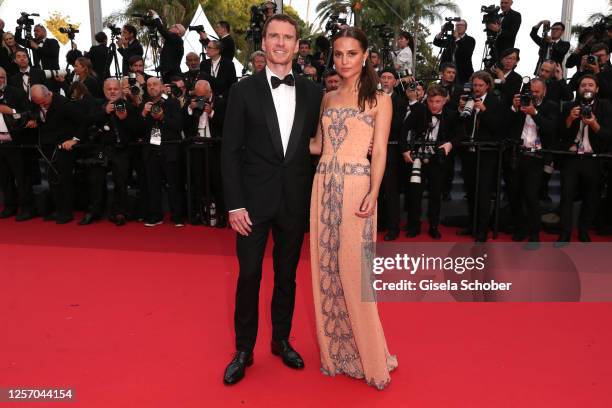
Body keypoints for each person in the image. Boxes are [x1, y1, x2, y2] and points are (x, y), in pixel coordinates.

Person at [220, 14, 322, 385]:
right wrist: (234, 204)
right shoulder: (243, 90)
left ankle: (281, 339)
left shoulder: (313, 92)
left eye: (288, 37)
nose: (280, 43)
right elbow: (229, 151)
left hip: (293, 201)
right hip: (251, 204)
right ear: (263, 41)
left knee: (287, 276)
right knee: (249, 276)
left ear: (298, 44)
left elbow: (316, 144)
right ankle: (244, 349)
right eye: (274, 36)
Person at [309, 27, 397, 389]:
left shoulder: (380, 98)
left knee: (355, 272)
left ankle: (373, 359)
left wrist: (374, 191)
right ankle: (338, 353)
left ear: (365, 56)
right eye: (339, 54)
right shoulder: (327, 98)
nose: (344, 61)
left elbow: (380, 151)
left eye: (351, 54)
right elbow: (316, 144)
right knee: (326, 267)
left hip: (357, 184)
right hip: (323, 183)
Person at [556, 75, 612, 246]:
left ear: (596, 89)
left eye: (590, 85)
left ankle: (583, 231)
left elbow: (608, 136)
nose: (586, 88)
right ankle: (564, 234)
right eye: (583, 85)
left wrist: (594, 124)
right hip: (572, 157)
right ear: (578, 89)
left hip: (593, 158)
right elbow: (558, 133)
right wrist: (570, 119)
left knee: (591, 197)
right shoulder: (568, 106)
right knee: (566, 196)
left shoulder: (605, 106)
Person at [506, 78, 558, 245]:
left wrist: (534, 113)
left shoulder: (550, 107)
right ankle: (521, 228)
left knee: (531, 196)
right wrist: (514, 108)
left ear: (544, 92)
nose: (533, 94)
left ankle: (534, 233)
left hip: (536, 158)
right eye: (531, 91)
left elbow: (551, 130)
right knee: (514, 195)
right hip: (516, 155)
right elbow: (505, 126)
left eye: (537, 91)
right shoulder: (519, 104)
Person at [139, 77, 184, 227]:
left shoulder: (172, 102)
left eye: (155, 84)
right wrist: (143, 114)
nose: (152, 87)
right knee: (153, 185)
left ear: (162, 86)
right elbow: (137, 130)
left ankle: (177, 216)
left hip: (169, 149)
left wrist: (163, 117)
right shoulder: (144, 105)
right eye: (149, 85)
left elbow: (178, 125)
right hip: (151, 149)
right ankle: (154, 216)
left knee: (174, 184)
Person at [0, 66, 34, 221]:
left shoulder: (17, 92)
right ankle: (9, 206)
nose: (0, 80)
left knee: (21, 176)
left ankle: (26, 207)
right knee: (4, 177)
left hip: (16, 142)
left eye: (2, 77)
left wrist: (12, 111)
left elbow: (29, 113)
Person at [433, 19, 475, 84]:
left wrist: (457, 38)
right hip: (447, 73)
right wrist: (442, 32)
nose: (459, 26)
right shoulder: (451, 39)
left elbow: (466, 53)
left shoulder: (470, 40)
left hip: (463, 74)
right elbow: (436, 42)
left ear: (466, 28)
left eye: (461, 25)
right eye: (457, 25)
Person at [150, 10, 185, 83]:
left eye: (175, 26)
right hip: (169, 73)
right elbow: (171, 56)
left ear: (179, 32)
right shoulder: (174, 41)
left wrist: (156, 16)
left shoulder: (176, 38)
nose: (172, 27)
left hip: (172, 74)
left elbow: (162, 30)